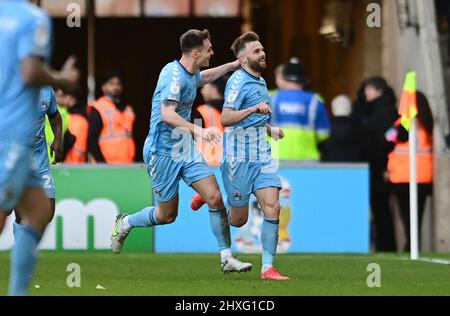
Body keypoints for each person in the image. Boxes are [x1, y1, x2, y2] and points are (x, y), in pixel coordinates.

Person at [110, 29, 252, 274]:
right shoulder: (173, 76)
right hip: (161, 152)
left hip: (183, 146)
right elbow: (167, 114)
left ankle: (226, 257)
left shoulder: (191, 72)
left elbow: (202, 78)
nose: (212, 52)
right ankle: (125, 222)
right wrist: (199, 132)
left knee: (215, 197)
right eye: (209, 49)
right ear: (195, 52)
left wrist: (231, 66)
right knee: (167, 215)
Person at [193, 32, 289, 280]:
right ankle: (212, 197)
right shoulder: (237, 81)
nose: (263, 53)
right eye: (257, 51)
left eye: (262, 49)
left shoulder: (260, 81)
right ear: (243, 59)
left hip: (262, 156)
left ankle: (268, 268)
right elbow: (226, 119)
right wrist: (253, 109)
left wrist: (269, 129)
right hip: (238, 160)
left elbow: (254, 119)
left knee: (273, 206)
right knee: (238, 220)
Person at [0, 0, 78, 296]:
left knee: (39, 210)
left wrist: (57, 139)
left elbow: (54, 114)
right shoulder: (33, 18)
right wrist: (62, 79)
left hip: (24, 146)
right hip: (11, 136)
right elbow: (31, 72)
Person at [354, 76, 398, 252]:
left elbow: (380, 142)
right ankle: (385, 245)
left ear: (377, 90)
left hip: (379, 168)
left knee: (382, 210)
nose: (366, 94)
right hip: (380, 167)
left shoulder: (381, 112)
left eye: (368, 90)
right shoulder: (384, 109)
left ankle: (386, 246)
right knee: (382, 210)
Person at [386, 91, 434, 252]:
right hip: (423, 178)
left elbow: (390, 137)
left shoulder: (406, 123)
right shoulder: (427, 123)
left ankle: (410, 249)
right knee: (417, 220)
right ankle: (413, 247)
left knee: (407, 220)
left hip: (403, 178)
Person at [269, 58, 331, 160]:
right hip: (307, 159)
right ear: (304, 79)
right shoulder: (315, 100)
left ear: (284, 78)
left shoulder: (271, 98)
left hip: (276, 158)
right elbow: (323, 134)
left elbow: (259, 128)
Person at [88, 71, 135, 164]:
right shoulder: (98, 108)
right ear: (103, 87)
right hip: (107, 165)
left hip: (127, 164)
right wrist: (103, 164)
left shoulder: (127, 109)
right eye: (111, 84)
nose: (115, 87)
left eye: (118, 84)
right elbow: (91, 142)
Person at [192, 76, 227, 165]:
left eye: (205, 87)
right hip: (230, 164)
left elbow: (195, 138)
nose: (202, 91)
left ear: (213, 89)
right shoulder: (236, 111)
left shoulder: (202, 111)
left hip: (208, 164)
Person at [321, 95, 363, 162]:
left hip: (329, 167)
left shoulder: (325, 127)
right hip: (354, 167)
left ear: (333, 109)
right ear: (350, 109)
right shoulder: (359, 128)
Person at [61, 89, 89, 163]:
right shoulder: (82, 117)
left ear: (71, 97)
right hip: (79, 163)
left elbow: (67, 142)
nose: (60, 100)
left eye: (63, 96)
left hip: (69, 163)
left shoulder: (72, 118)